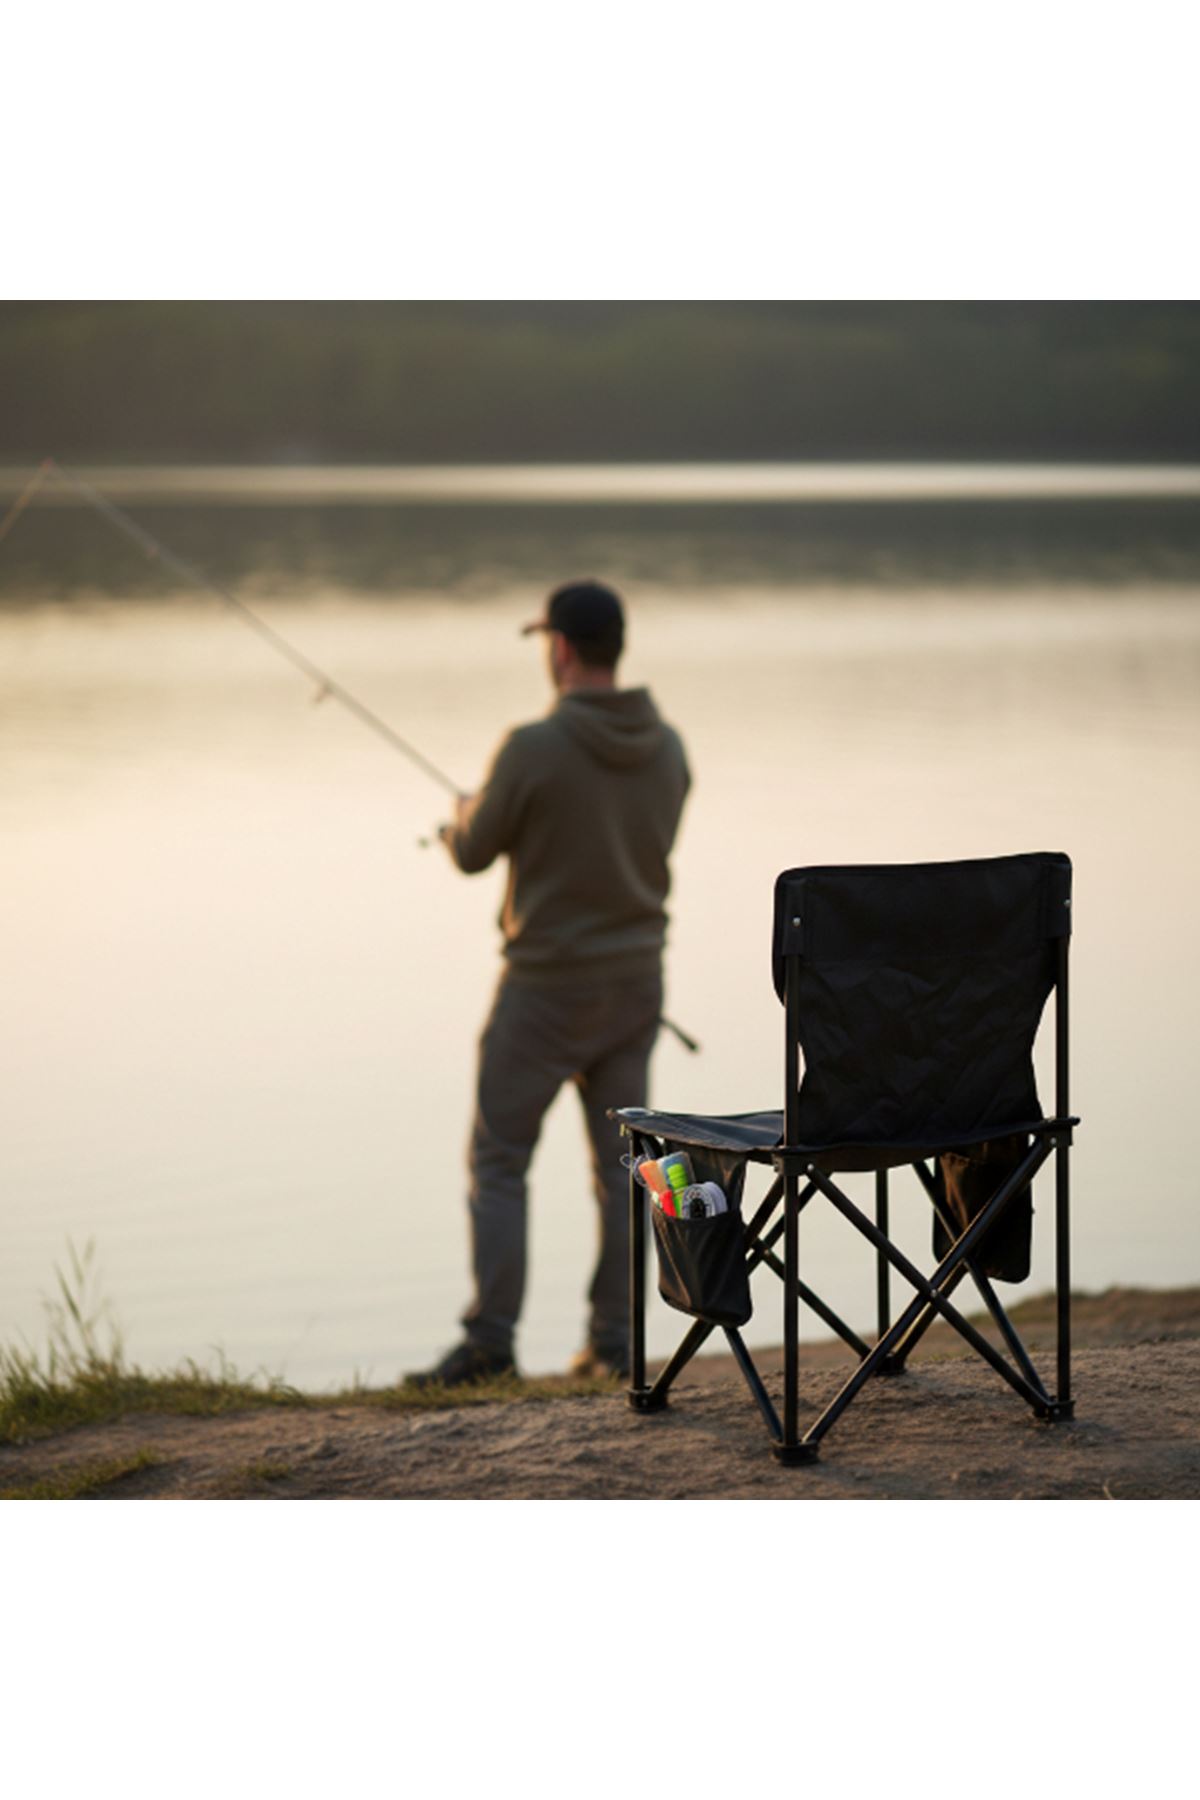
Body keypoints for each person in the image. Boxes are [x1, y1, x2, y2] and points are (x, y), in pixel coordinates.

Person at [407, 580, 691, 1388]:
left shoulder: (530, 746)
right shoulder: (669, 747)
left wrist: (465, 811)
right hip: (636, 985)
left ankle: (491, 1342)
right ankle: (613, 1343)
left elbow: (471, 851)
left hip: (542, 992)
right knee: (621, 1170)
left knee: (499, 1160)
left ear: (560, 647)